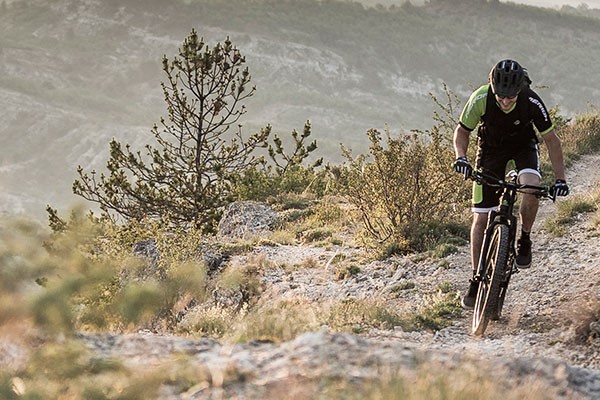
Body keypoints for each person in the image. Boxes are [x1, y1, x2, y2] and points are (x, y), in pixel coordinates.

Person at [452, 59, 570, 309]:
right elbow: (462, 131)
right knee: (481, 218)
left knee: (531, 187)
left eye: (511, 97)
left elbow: (552, 141)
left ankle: (524, 238)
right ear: (492, 87)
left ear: (520, 91)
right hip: (491, 150)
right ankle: (475, 278)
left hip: (523, 147)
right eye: (501, 96)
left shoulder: (532, 101)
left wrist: (560, 179)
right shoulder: (480, 97)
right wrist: (461, 158)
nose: (505, 101)